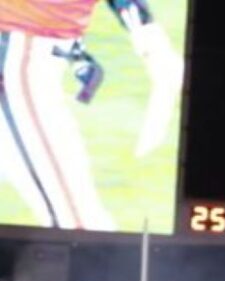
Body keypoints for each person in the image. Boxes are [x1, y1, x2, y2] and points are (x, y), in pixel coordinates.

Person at [0, 0, 182, 230]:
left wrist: (149, 35)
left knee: (78, 223)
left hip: (29, 48)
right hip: (18, 51)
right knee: (78, 226)